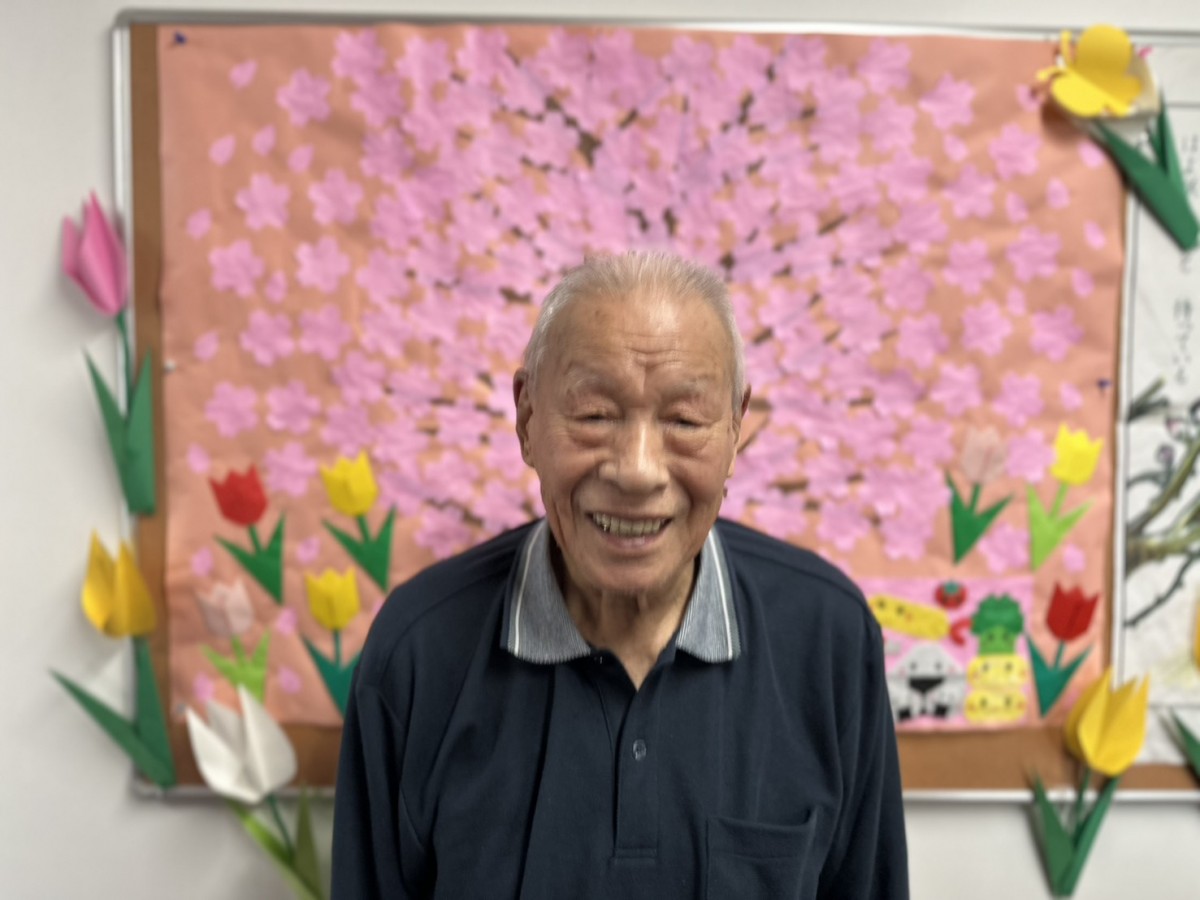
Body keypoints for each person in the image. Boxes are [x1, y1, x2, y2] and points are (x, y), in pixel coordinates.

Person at [331, 250, 908, 899]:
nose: (637, 471)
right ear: (527, 418)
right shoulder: (417, 652)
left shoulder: (829, 640)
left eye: (683, 420)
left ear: (735, 428)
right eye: (595, 415)